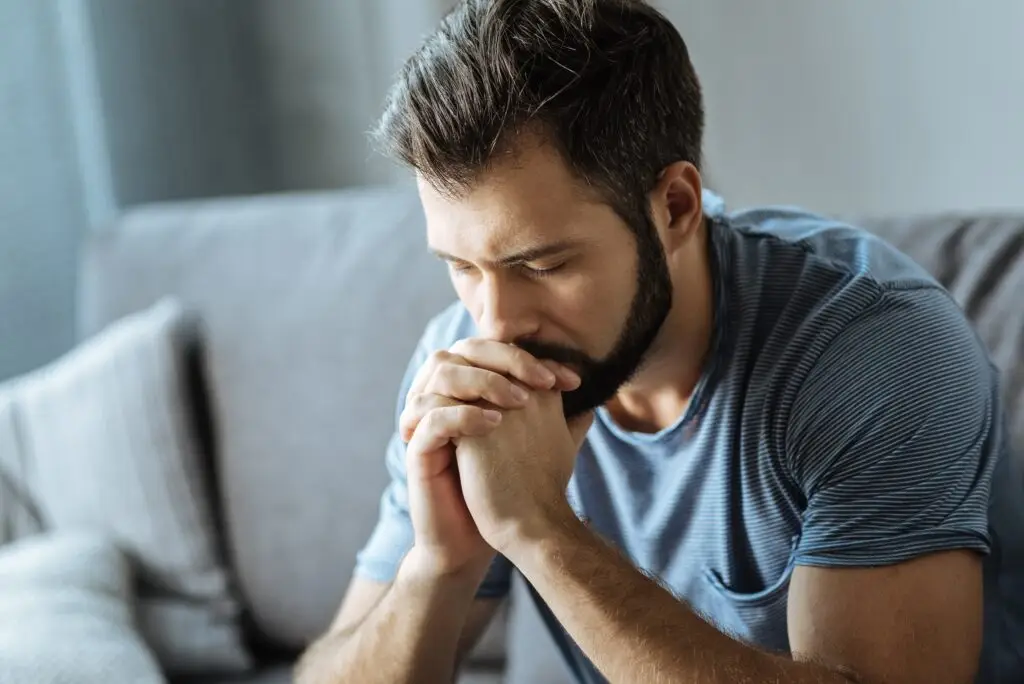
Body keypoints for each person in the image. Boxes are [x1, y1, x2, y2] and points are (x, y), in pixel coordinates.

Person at [295, 1, 1023, 682]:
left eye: (542, 264)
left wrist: (542, 533)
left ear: (675, 207)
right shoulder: (463, 367)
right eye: (460, 267)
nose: (494, 320)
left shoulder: (872, 351)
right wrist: (439, 564)